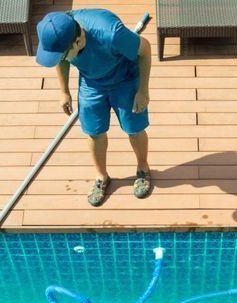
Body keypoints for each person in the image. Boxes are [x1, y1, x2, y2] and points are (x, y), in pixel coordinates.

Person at [35, 9, 152, 207]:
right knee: (94, 132)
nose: (59, 58)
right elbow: (60, 57)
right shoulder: (62, 29)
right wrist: (64, 91)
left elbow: (145, 49)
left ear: (78, 42)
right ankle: (102, 177)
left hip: (125, 79)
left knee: (134, 128)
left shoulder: (111, 33)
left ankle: (143, 168)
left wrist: (143, 91)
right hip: (91, 83)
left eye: (62, 54)